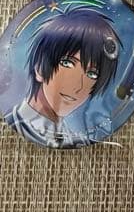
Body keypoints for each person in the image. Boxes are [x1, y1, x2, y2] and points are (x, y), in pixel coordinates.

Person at [7, 9, 120, 147]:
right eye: (67, 63)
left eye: (92, 74)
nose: (78, 86)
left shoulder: (78, 140)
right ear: (40, 67)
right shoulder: (12, 126)